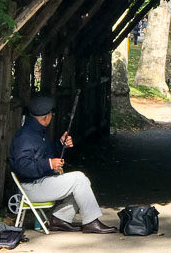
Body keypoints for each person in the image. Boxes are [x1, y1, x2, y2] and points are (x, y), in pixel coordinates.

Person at [9, 95, 117, 234]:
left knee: (83, 182)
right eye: (51, 114)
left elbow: (46, 154)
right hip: (32, 188)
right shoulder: (26, 137)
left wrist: (61, 144)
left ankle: (60, 219)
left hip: (39, 183)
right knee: (79, 179)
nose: (52, 116)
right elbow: (23, 166)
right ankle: (91, 222)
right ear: (45, 118)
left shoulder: (35, 131)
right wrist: (48, 164)